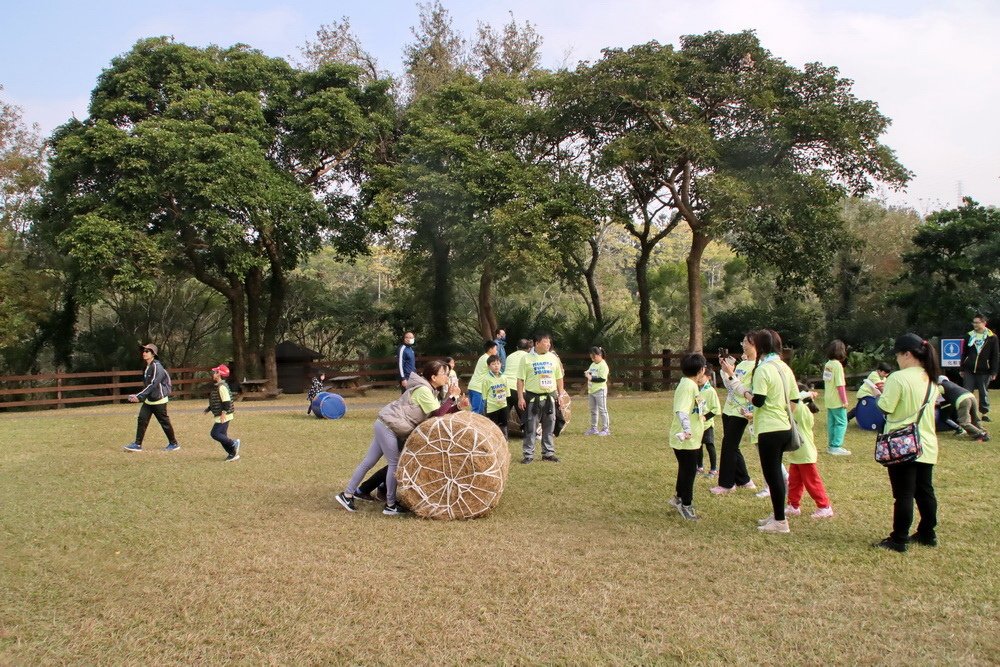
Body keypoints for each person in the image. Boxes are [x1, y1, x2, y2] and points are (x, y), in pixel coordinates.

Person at [336, 360, 465, 516]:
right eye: (444, 373)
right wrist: (451, 397)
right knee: (395, 464)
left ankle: (348, 495)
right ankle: (390, 505)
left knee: (368, 462)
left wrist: (457, 406)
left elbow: (437, 413)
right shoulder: (424, 390)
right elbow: (437, 414)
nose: (447, 376)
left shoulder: (430, 390)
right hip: (389, 427)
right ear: (433, 377)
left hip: (385, 424)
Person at [874, 333, 942, 552]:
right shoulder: (931, 378)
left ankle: (899, 538)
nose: (897, 360)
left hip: (902, 443)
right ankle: (927, 533)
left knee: (903, 494)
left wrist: (881, 394)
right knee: (925, 491)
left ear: (907, 354)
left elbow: (886, 407)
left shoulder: (898, 378)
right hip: (927, 442)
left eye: (898, 355)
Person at [746, 329, 797, 534]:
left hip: (769, 428)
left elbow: (759, 400)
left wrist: (745, 393)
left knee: (773, 475)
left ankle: (780, 521)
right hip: (783, 426)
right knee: (776, 473)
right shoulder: (784, 367)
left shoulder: (763, 369)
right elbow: (794, 400)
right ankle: (778, 514)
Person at [712, 336, 758, 494]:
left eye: (747, 342)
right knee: (732, 445)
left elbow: (746, 389)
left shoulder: (757, 367)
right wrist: (725, 372)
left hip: (742, 410)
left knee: (728, 446)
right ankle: (744, 480)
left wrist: (731, 374)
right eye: (743, 341)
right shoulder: (743, 363)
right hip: (729, 408)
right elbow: (731, 385)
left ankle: (726, 484)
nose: (744, 345)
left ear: (756, 345)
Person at [786, 384, 833, 518]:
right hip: (797, 452)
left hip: (805, 453)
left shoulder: (801, 410)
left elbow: (793, 400)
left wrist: (805, 394)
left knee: (812, 482)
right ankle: (793, 505)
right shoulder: (801, 408)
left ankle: (824, 506)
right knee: (794, 482)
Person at [669, 354, 707, 521]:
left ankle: (678, 498)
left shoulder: (690, 384)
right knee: (689, 471)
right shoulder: (688, 386)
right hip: (685, 439)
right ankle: (686, 505)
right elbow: (681, 410)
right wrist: (687, 429)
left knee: (685, 468)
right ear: (701, 370)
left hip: (691, 439)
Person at [517, 332, 565, 464]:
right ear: (537, 343)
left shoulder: (553, 358)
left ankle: (548, 453)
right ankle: (528, 454)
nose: (548, 344)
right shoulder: (526, 359)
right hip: (533, 399)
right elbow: (520, 380)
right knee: (530, 428)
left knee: (549, 427)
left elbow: (559, 378)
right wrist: (520, 397)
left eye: (549, 341)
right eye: (545, 341)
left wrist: (561, 395)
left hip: (550, 398)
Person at [123, 344, 179, 452]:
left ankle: (174, 444)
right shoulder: (147, 367)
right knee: (142, 420)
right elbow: (147, 385)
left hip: (159, 400)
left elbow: (153, 384)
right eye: (144, 351)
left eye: (147, 351)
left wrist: (139, 396)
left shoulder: (157, 367)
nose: (144, 353)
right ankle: (137, 444)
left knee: (164, 422)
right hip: (149, 400)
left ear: (153, 354)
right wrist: (142, 397)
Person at [961, 314, 998, 420]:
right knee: (967, 392)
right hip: (969, 369)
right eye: (974, 322)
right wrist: (962, 368)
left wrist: (994, 372)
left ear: (984, 323)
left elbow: (995, 356)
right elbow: (964, 353)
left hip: (984, 370)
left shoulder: (992, 337)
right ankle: (969, 414)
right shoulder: (969, 335)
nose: (975, 324)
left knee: (983, 392)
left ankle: (984, 413)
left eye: (977, 322)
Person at [205, 364, 240, 462]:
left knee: (215, 433)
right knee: (222, 436)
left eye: (215, 372)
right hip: (222, 415)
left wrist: (224, 413)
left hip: (224, 415)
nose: (213, 374)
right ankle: (232, 454)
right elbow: (217, 400)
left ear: (219, 374)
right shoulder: (218, 386)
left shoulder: (222, 387)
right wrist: (209, 408)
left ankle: (233, 443)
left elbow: (227, 402)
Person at [937, 375, 989, 441]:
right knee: (975, 419)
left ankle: (981, 434)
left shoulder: (941, 386)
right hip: (972, 397)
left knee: (964, 422)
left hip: (963, 400)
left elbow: (934, 397)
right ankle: (983, 431)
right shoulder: (953, 384)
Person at [823, 339, 851, 456]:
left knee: (832, 423)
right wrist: (844, 401)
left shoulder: (828, 364)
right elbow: (840, 385)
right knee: (841, 423)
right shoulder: (838, 366)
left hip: (829, 399)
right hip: (837, 400)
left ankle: (831, 445)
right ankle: (836, 446)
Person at [697, 368, 720, 477]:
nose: (699, 379)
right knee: (698, 446)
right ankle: (700, 467)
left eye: (702, 377)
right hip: (697, 424)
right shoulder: (696, 390)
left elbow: (716, 409)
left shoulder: (711, 391)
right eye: (698, 376)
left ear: (709, 377)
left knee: (710, 445)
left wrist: (706, 417)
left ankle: (713, 469)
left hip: (707, 425)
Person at [503, 338, 532, 424]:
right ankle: (529, 432)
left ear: (517, 347)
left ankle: (501, 434)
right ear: (529, 348)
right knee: (524, 413)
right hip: (517, 387)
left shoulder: (509, 356)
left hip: (504, 386)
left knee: (504, 415)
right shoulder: (528, 357)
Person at [584, 346, 611, 436]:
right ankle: (593, 428)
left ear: (599, 355)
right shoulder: (593, 364)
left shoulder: (603, 365)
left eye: (594, 357)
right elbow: (590, 371)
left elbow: (602, 379)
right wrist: (587, 373)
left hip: (600, 390)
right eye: (591, 357)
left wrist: (591, 378)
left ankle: (605, 429)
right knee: (593, 410)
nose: (593, 359)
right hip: (591, 391)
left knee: (602, 410)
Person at [483, 355, 510, 438]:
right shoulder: (486, 379)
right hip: (492, 408)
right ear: (488, 366)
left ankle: (505, 441)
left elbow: (507, 391)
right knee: (492, 426)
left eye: (498, 363)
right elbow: (484, 395)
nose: (496, 366)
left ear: (501, 364)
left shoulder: (504, 377)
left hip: (503, 405)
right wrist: (486, 405)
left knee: (504, 425)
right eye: (493, 364)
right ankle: (493, 441)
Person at [468, 340, 498, 415]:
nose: (496, 351)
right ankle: (473, 426)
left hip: (473, 387)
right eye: (495, 349)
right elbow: (495, 371)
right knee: (477, 412)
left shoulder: (483, 357)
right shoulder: (488, 359)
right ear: (490, 349)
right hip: (478, 389)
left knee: (477, 411)